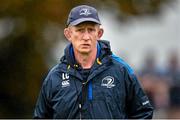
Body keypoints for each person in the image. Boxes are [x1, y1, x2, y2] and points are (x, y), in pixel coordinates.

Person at [33, 5, 153, 119]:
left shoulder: (120, 70)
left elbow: (143, 112)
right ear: (68, 34)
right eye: (80, 30)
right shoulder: (55, 76)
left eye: (90, 30)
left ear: (99, 33)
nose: (86, 37)